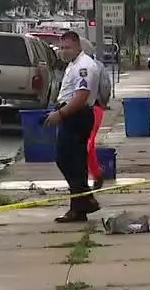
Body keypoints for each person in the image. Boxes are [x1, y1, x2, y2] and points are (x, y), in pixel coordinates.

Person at [45, 31, 102, 223]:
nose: (63, 52)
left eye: (67, 47)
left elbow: (81, 97)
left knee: (68, 159)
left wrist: (60, 114)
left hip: (77, 115)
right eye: (61, 48)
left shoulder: (84, 66)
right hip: (71, 114)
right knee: (72, 161)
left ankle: (84, 201)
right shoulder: (74, 65)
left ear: (78, 46)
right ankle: (80, 206)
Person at [87, 53, 113, 190]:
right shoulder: (98, 65)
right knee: (88, 143)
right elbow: (105, 86)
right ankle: (95, 173)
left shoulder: (76, 66)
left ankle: (96, 174)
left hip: (91, 107)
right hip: (94, 106)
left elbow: (105, 86)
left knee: (87, 143)